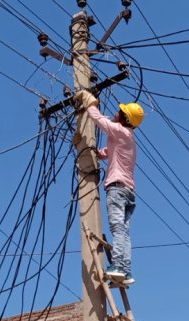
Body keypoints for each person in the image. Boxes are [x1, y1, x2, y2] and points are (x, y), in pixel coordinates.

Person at [75, 90, 144, 285]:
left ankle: (119, 267)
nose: (116, 112)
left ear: (123, 118)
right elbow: (108, 152)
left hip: (117, 188)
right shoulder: (127, 136)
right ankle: (126, 270)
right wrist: (87, 150)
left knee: (117, 229)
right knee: (123, 231)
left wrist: (90, 103)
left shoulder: (120, 130)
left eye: (120, 111)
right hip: (129, 191)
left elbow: (98, 119)